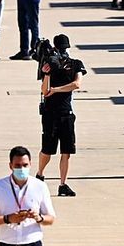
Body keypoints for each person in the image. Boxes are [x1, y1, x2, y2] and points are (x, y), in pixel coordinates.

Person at [37, 34, 86, 197]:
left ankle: (63, 184)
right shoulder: (50, 66)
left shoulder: (75, 64)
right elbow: (44, 91)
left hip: (66, 113)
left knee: (67, 151)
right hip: (51, 113)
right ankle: (40, 175)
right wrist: (47, 74)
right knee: (48, 149)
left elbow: (77, 84)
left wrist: (56, 90)